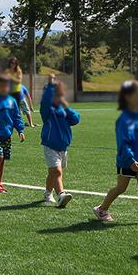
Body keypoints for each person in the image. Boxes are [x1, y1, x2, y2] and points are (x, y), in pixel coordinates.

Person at [93, 80, 138, 225]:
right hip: (127, 161)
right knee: (121, 188)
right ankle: (101, 209)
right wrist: (130, 160)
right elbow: (123, 143)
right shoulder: (123, 120)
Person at [39, 74, 80, 208]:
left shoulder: (64, 111)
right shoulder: (47, 111)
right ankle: (61, 195)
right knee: (57, 172)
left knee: (53, 172)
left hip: (63, 147)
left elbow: (76, 119)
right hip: (50, 145)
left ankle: (47, 193)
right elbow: (45, 101)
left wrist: (66, 106)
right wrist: (51, 85)